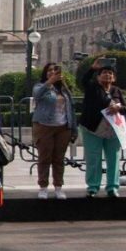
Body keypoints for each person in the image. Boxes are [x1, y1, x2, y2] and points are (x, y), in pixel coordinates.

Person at [78, 60, 126, 198]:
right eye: (104, 73)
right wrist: (92, 69)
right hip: (93, 128)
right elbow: (84, 81)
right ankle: (93, 187)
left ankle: (112, 187)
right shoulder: (92, 87)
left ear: (114, 78)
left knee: (114, 158)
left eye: (110, 73)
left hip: (114, 130)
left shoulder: (116, 91)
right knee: (94, 158)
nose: (107, 75)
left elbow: (125, 108)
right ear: (98, 77)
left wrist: (119, 107)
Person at [31, 62, 77, 200]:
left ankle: (58, 187)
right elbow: (37, 96)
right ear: (45, 73)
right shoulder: (40, 86)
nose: (52, 72)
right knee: (44, 158)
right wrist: (49, 82)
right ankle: (43, 187)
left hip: (63, 127)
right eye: (49, 70)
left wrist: (73, 128)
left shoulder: (63, 89)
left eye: (55, 70)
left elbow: (71, 109)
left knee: (58, 159)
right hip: (44, 126)